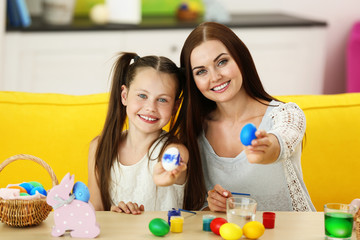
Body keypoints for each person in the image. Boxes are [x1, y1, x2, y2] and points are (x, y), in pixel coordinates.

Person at [179, 22, 315, 212]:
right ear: (193, 81)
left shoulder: (286, 115)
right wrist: (212, 206)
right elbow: (194, 211)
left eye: (222, 62)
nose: (215, 77)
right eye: (201, 71)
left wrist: (266, 146)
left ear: (240, 59)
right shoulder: (195, 131)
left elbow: (280, 143)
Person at [88, 52, 204, 214]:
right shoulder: (99, 146)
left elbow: (176, 160)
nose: (151, 107)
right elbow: (97, 210)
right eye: (142, 95)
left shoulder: (173, 149)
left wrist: (168, 172)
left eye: (162, 99)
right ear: (124, 96)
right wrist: (113, 214)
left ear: (175, 107)